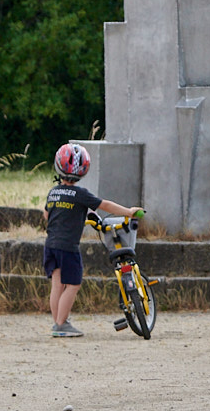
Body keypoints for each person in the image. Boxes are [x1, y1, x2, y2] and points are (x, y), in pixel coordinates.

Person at [42, 143, 138, 337]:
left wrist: (74, 218)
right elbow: (105, 205)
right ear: (83, 170)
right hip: (68, 247)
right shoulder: (81, 194)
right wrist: (129, 211)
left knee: (57, 284)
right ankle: (61, 325)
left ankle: (58, 322)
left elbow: (47, 215)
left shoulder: (53, 192)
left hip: (51, 244)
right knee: (74, 285)